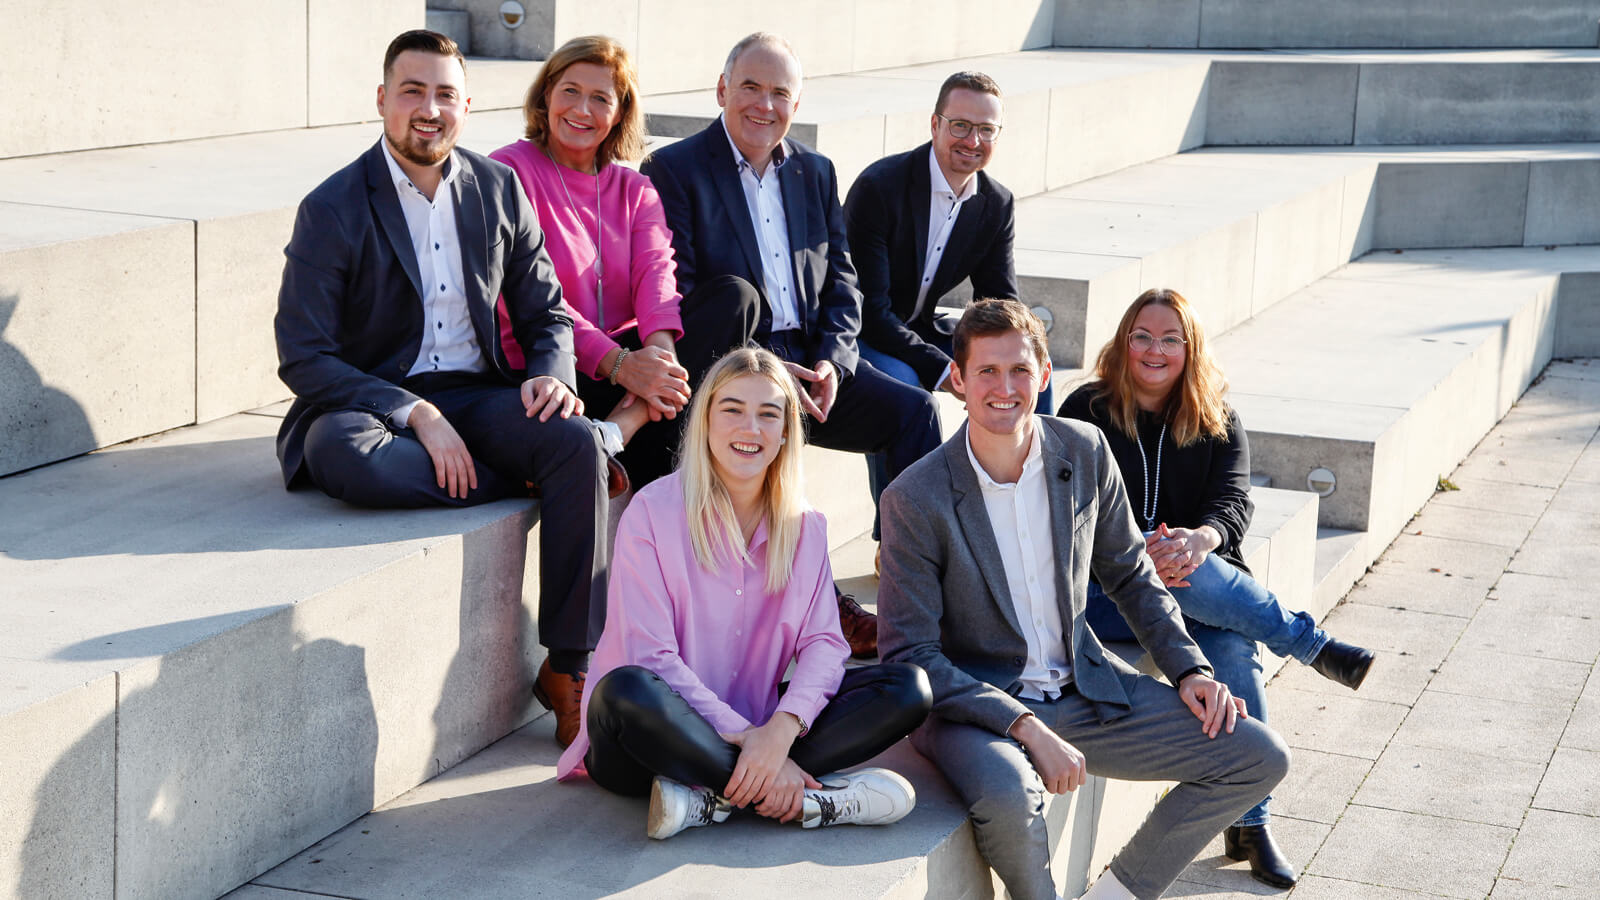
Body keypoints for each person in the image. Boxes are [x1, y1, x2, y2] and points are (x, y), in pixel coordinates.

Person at [878, 299, 1290, 900]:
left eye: (1020, 370)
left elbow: (1131, 574)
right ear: (958, 380)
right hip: (980, 708)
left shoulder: (1084, 450)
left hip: (1086, 689)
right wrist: (1022, 725)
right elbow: (909, 655)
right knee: (1010, 794)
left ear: (1045, 374)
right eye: (987, 371)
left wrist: (1189, 669)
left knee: (1259, 755)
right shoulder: (914, 497)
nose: (1004, 388)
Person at [273, 29, 611, 748]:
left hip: (480, 393)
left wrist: (551, 376)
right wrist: (416, 412)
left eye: (445, 94)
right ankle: (518, 477)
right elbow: (304, 356)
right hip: (374, 401)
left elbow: (547, 312)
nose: (429, 109)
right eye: (413, 91)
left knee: (575, 444)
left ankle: (570, 668)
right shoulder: (332, 207)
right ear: (382, 100)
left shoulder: (497, 188)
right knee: (341, 453)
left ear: (466, 105)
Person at [1056, 287, 1375, 889]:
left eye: (1169, 339)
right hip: (1103, 595)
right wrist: (1133, 553)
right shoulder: (1086, 410)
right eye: (1142, 336)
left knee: (1227, 642)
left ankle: (1251, 824)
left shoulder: (1216, 418)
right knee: (1179, 578)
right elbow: (1064, 507)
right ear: (1124, 342)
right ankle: (1308, 644)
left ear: (1190, 348)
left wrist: (1200, 539)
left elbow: (1233, 503)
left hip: (1195, 588)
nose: (1154, 350)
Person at [641, 32, 943, 657]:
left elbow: (843, 281)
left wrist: (834, 360)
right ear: (721, 90)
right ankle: (825, 609)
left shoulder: (814, 170)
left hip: (812, 359)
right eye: (750, 87)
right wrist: (771, 371)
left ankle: (915, 601)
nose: (765, 104)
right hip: (730, 361)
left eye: (780, 92)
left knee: (914, 412)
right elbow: (686, 291)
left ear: (796, 104)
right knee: (766, 438)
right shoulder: (674, 169)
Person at [555, 348, 932, 839]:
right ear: (706, 420)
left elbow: (824, 643)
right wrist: (751, 739)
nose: (750, 428)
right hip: (653, 738)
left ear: (786, 431)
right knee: (624, 691)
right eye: (732, 409)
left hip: (756, 724)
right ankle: (807, 797)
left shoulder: (806, 527)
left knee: (906, 688)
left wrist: (781, 730)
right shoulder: (652, 512)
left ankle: (713, 797)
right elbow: (651, 656)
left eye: (768, 414)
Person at [845, 71, 1046, 550]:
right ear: (935, 124)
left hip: (919, 325)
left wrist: (1021, 356)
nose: (972, 141)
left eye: (986, 130)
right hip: (863, 330)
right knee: (906, 387)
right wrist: (944, 370)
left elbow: (1001, 302)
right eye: (960, 125)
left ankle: (1035, 509)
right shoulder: (880, 187)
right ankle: (901, 542)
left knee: (1035, 370)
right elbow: (871, 311)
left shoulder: (995, 202)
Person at [491, 35, 702, 487]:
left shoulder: (635, 188)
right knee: (680, 420)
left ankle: (617, 431)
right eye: (570, 91)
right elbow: (525, 295)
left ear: (620, 112)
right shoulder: (507, 172)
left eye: (601, 98)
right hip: (550, 369)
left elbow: (657, 277)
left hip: (628, 368)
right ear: (546, 94)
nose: (582, 109)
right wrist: (622, 366)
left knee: (733, 300)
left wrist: (659, 366)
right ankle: (624, 443)